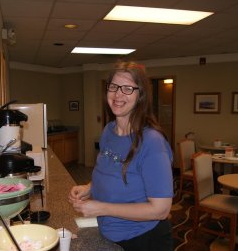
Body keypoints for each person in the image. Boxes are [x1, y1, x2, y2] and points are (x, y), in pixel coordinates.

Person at [69, 62, 173, 251]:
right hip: (110, 235)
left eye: (127, 88)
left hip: (143, 240)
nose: (118, 94)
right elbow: (111, 172)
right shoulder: (108, 131)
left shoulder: (152, 142)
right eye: (114, 87)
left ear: (140, 95)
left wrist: (101, 208)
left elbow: (161, 209)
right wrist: (89, 188)